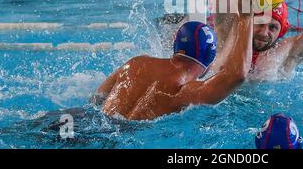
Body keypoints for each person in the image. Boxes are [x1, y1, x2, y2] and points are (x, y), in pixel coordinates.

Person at [91, 10, 253, 121]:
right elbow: (237, 75)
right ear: (210, 58)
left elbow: (96, 100)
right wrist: (246, 17)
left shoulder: (135, 63)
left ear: (176, 47)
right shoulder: (185, 90)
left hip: (91, 125)